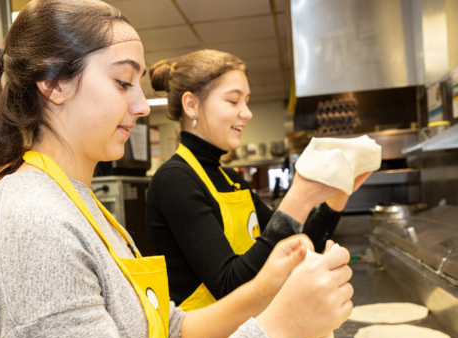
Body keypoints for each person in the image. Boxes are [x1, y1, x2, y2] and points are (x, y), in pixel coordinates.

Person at [0, 0, 353, 338]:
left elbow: (168, 334)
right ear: (54, 83)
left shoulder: (78, 205)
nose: (139, 106)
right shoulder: (30, 220)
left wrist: (264, 289)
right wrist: (285, 328)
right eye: (122, 82)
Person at [147, 51, 370, 309]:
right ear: (191, 105)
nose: (247, 113)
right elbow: (230, 286)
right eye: (233, 101)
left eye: (247, 101)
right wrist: (297, 199)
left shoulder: (231, 180)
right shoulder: (175, 180)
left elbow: (302, 246)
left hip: (245, 336)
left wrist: (337, 197)